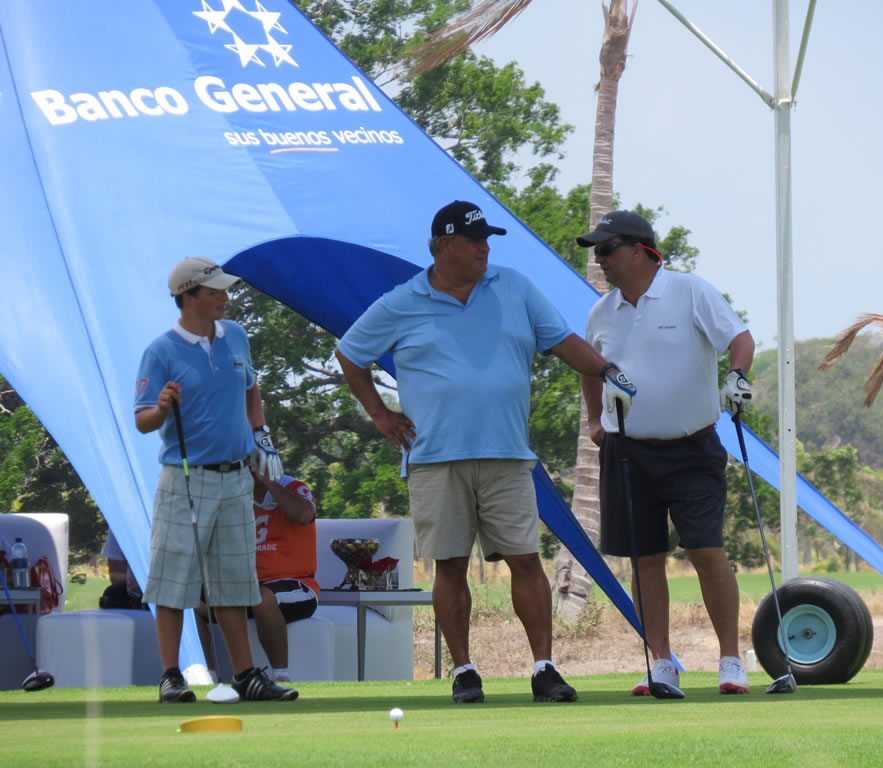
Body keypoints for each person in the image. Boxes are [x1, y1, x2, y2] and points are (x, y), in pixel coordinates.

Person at [335, 200, 634, 704]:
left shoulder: (514, 287)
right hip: (434, 457)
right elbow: (350, 353)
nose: (484, 249)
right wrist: (381, 416)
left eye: (487, 240)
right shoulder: (402, 301)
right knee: (450, 565)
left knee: (525, 560)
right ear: (443, 245)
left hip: (507, 454)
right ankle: (464, 671)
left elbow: (563, 342)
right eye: (474, 240)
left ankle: (544, 668)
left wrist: (606, 370)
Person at [576, 210, 755, 697]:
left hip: (693, 447)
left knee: (706, 551)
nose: (600, 260)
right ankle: (662, 663)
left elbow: (739, 339)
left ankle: (731, 660)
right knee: (645, 559)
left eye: (606, 250)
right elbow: (589, 368)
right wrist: (595, 423)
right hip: (627, 452)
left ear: (639, 251)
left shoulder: (689, 290)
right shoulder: (601, 312)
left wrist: (737, 376)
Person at [133, 256, 297, 703]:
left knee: (234, 582)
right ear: (187, 296)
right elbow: (142, 420)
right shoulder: (161, 351)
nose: (225, 297)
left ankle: (245, 675)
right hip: (185, 479)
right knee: (173, 582)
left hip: (236, 476)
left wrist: (261, 436)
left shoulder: (236, 336)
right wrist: (162, 408)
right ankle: (171, 676)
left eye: (224, 290)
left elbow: (251, 389)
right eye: (214, 291)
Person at [198, 469, 318, 684]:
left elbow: (304, 515)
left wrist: (269, 482)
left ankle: (280, 676)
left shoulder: (293, 487)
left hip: (297, 585)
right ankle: (207, 676)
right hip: (247, 588)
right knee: (189, 598)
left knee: (262, 597)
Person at [98, 531, 146, 610]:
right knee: (112, 593)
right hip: (137, 595)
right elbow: (115, 574)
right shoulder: (120, 529)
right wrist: (131, 578)